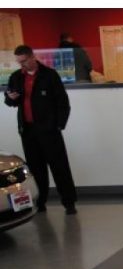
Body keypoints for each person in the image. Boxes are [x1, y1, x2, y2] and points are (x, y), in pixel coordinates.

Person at [3, 45, 77, 214]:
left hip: (49, 130)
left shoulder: (49, 75)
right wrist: (9, 98)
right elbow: (10, 101)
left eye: (24, 61)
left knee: (59, 167)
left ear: (32, 57)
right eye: (19, 62)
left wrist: (58, 125)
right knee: (36, 170)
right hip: (28, 131)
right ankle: (40, 202)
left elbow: (62, 103)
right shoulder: (16, 77)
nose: (22, 65)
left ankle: (69, 203)